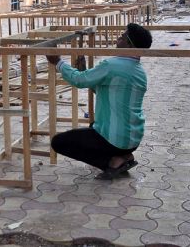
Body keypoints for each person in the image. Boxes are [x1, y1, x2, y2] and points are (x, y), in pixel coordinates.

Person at [45, 23, 152, 180]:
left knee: (59, 142)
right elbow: (105, 91)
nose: (119, 38)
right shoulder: (139, 71)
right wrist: (84, 72)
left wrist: (58, 62)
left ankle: (112, 162)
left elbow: (79, 80)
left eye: (122, 36)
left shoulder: (112, 65)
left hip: (115, 139)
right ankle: (125, 155)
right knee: (92, 127)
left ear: (129, 44)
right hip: (132, 139)